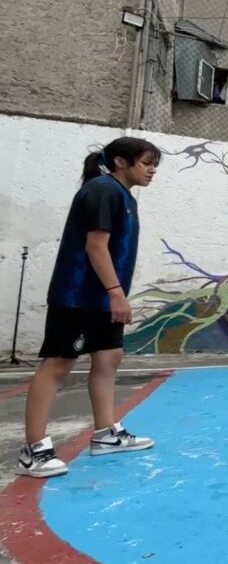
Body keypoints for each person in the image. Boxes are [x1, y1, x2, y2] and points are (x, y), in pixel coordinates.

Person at [16, 137, 161, 478]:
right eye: (146, 163)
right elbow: (96, 246)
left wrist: (113, 295)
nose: (152, 170)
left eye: (155, 164)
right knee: (58, 364)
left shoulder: (124, 196)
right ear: (121, 162)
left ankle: (106, 434)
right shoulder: (101, 190)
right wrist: (115, 292)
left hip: (102, 299)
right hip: (77, 295)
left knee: (109, 358)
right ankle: (33, 450)